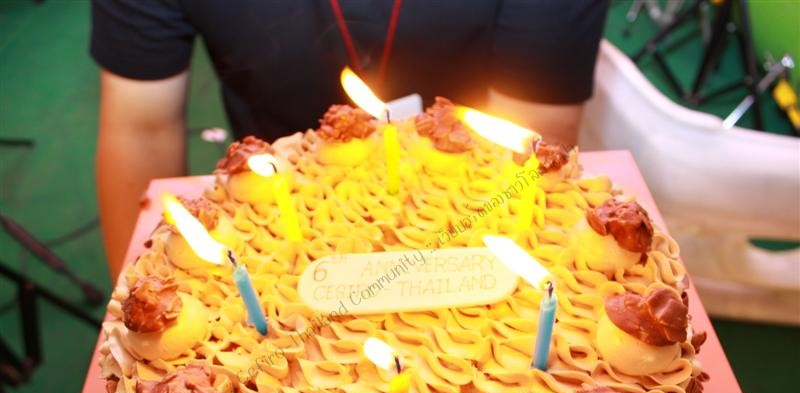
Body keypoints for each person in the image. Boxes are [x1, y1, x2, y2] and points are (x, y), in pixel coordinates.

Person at [91, 0, 609, 278]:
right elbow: (141, 127)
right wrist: (138, 302)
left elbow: (532, 138)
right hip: (271, 232)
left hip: (471, 221)